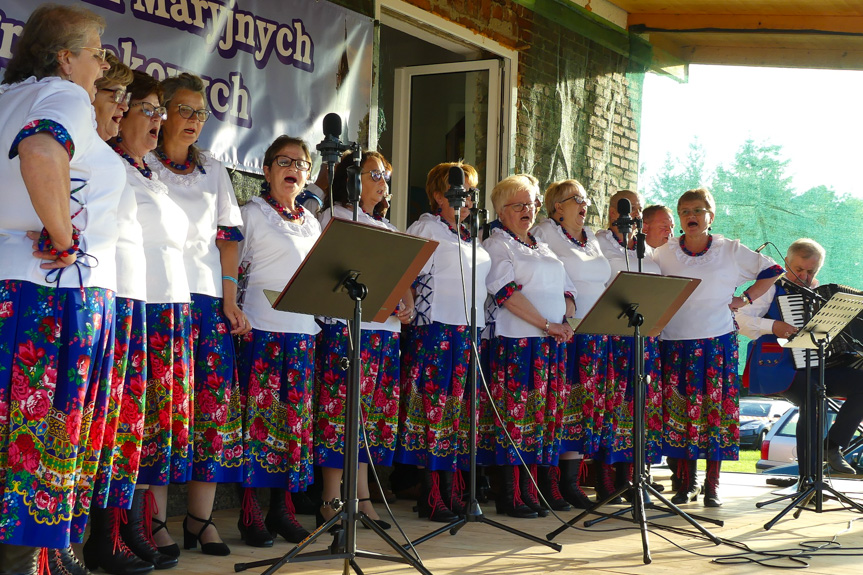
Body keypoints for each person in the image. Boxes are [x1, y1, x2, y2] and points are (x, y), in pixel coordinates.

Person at [0, 4, 121, 573]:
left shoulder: (9, 97)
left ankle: (41, 548)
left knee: (18, 420)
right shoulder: (65, 96)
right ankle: (27, 554)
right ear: (65, 57)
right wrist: (63, 234)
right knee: (46, 420)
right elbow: (41, 149)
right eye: (96, 52)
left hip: (14, 281)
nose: (102, 64)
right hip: (51, 290)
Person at [146, 72, 246, 555]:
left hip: (207, 302)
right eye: (183, 110)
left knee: (211, 410)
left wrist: (229, 299)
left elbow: (229, 237)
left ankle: (200, 520)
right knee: (161, 409)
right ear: (160, 111)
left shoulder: (214, 172)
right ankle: (156, 521)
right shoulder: (141, 163)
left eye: (200, 113)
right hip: (159, 299)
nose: (193, 120)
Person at [652, 187, 783, 507]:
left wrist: (746, 299)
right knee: (679, 416)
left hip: (716, 345)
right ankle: (684, 483)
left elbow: (773, 271)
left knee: (714, 416)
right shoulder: (664, 252)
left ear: (711, 215)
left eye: (698, 210)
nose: (691, 216)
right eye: (684, 211)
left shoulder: (730, 249)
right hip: (674, 344)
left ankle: (712, 486)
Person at [315, 150, 414, 530]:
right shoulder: (336, 217)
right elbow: (338, 277)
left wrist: (405, 305)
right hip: (350, 329)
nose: (382, 183)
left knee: (370, 419)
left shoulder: (386, 227)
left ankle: (362, 497)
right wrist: (389, 303)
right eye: (374, 174)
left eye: (385, 176)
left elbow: (402, 278)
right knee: (341, 415)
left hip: (384, 333)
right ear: (352, 179)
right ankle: (330, 499)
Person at [235, 136, 319, 546]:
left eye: (301, 163)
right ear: (267, 170)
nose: (293, 168)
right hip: (261, 330)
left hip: (302, 334)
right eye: (283, 161)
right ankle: (249, 511)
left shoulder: (312, 221)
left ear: (308, 175)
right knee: (259, 422)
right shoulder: (251, 214)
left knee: (292, 425)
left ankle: (283, 509)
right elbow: (234, 268)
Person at [395, 162, 491, 521]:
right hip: (436, 328)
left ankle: (455, 491)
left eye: (468, 191)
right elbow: (405, 270)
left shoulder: (470, 234)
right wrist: (407, 305)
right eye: (456, 190)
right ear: (439, 195)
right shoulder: (426, 226)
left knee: (458, 413)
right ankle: (432, 494)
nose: (463, 198)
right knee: (434, 412)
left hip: (469, 331)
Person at [481, 174, 576, 518]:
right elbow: (506, 293)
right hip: (517, 343)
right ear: (501, 210)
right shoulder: (497, 244)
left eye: (532, 203)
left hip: (551, 344)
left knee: (543, 418)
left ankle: (532, 489)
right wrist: (548, 324)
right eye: (519, 204)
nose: (528, 209)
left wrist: (565, 321)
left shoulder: (542, 245)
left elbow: (568, 290)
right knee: (515, 417)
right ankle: (509, 493)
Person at [736, 238, 863, 476]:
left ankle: (832, 446)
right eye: (798, 270)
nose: (804, 276)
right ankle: (808, 478)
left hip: (814, 367)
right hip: (777, 367)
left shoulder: (821, 294)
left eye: (810, 271)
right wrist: (772, 326)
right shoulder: (770, 287)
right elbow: (738, 319)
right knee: (813, 396)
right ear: (786, 262)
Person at [531, 179, 612, 510]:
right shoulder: (544, 233)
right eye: (575, 199)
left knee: (582, 409)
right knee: (560, 408)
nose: (584, 204)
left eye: (585, 199)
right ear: (556, 207)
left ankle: (570, 481)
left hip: (595, 334)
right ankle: (548, 482)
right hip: (564, 333)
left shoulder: (591, 237)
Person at [594, 190, 664, 501]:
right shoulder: (597, 242)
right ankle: (605, 479)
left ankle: (634, 476)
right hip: (610, 339)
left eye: (637, 208)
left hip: (644, 337)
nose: (632, 213)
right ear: (610, 212)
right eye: (625, 207)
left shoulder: (645, 250)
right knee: (611, 407)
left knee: (639, 406)